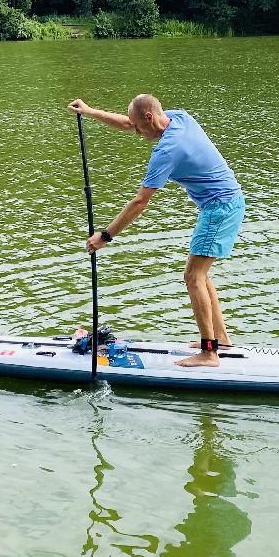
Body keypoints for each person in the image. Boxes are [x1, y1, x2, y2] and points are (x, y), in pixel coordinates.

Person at [68, 94, 245, 368]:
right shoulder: (180, 118)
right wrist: (90, 112)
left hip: (220, 208)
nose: (136, 132)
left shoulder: (167, 151)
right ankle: (220, 339)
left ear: (149, 118)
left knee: (193, 276)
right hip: (226, 203)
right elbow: (128, 122)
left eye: (139, 127)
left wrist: (105, 236)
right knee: (201, 274)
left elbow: (140, 202)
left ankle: (210, 353)